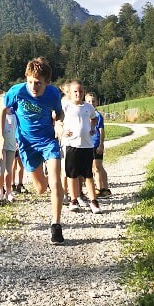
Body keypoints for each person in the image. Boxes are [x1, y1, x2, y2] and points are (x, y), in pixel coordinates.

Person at [3, 57, 65, 244]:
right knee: (40, 188)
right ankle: (43, 178)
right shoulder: (17, 91)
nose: (33, 87)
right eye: (30, 82)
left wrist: (60, 122)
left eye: (38, 83)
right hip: (27, 143)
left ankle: (56, 225)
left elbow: (59, 111)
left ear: (47, 82)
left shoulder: (53, 94)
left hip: (48, 141)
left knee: (55, 181)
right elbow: (3, 107)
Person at [61, 81, 101, 214]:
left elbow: (94, 118)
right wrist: (62, 130)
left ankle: (94, 202)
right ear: (70, 93)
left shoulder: (88, 107)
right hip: (71, 144)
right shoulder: (66, 106)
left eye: (81, 92)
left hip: (87, 145)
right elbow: (56, 119)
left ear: (84, 92)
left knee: (88, 175)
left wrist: (92, 128)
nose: (78, 94)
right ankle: (73, 200)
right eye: (75, 92)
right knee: (71, 175)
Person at [86, 91, 111, 197]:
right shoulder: (84, 114)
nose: (91, 103)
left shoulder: (98, 115)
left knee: (98, 166)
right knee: (93, 167)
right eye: (88, 101)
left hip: (96, 144)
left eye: (93, 101)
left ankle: (105, 188)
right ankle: (98, 188)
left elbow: (101, 130)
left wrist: (101, 144)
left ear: (96, 103)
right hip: (87, 144)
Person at [0, 90, 17, 203]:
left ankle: (9, 191)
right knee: (0, 169)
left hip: (12, 145)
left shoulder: (14, 115)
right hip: (1, 145)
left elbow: (17, 129)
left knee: (9, 170)